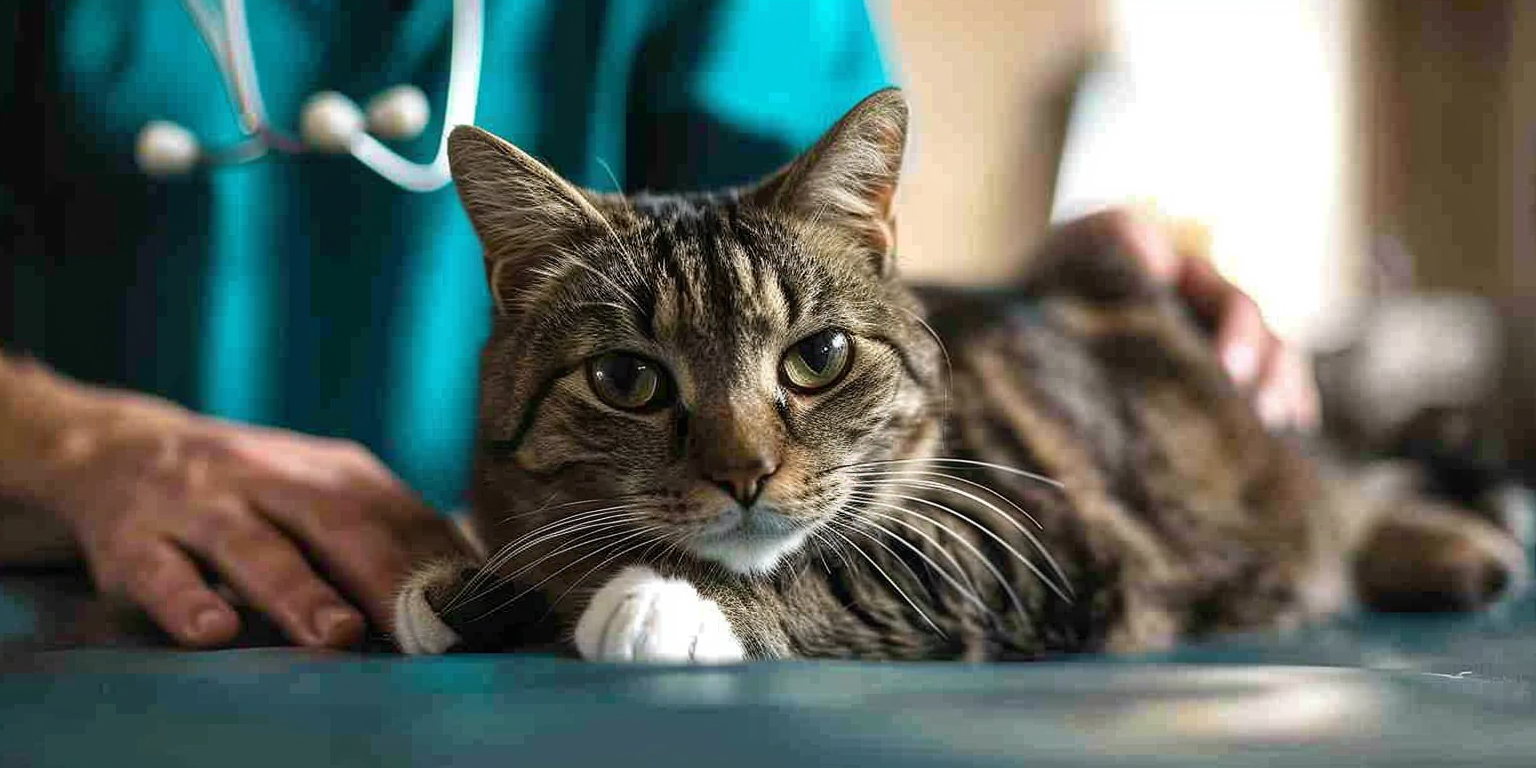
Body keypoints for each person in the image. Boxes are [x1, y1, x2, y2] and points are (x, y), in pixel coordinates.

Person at [0, 0, 1314, 651]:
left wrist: (1055, 303)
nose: (740, 450)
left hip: (592, 626)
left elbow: (788, 273)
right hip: (97, 620)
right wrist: (66, 442)